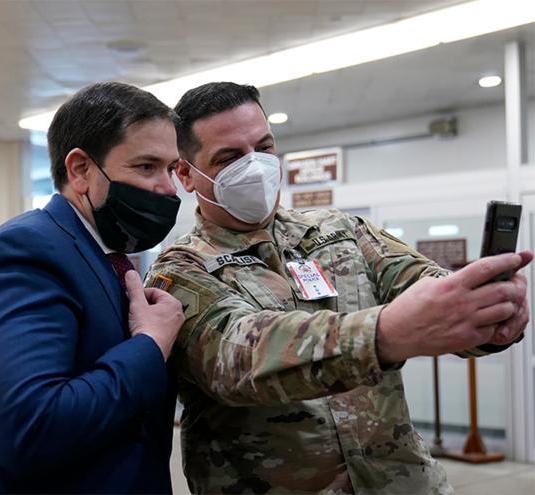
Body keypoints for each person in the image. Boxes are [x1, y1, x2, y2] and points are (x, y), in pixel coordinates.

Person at [146, 82, 531, 494]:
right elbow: (240, 362)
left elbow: (424, 285)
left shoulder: (339, 231)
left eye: (264, 148)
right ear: (186, 173)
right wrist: (384, 334)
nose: (255, 166)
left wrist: (484, 315)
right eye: (230, 157)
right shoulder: (181, 271)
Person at [0, 82, 185, 494]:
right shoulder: (25, 250)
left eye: (171, 168)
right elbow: (32, 430)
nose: (170, 188)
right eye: (147, 167)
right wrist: (150, 344)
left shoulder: (107, 256)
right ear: (81, 169)